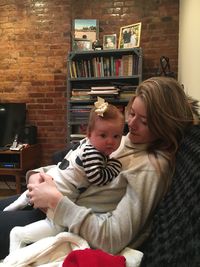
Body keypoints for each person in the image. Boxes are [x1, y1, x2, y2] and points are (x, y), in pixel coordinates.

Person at [0, 77, 198, 260]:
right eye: (132, 113)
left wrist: (56, 201)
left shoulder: (150, 168)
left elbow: (112, 238)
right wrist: (36, 175)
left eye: (144, 121)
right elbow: (80, 165)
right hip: (50, 197)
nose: (131, 124)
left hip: (58, 219)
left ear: (164, 126)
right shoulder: (128, 139)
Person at [4, 97, 125, 252]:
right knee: (57, 228)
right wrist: (114, 165)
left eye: (116, 136)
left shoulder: (86, 144)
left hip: (53, 178)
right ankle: (20, 235)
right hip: (59, 192)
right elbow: (98, 178)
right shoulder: (94, 153)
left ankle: (13, 208)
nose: (110, 142)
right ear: (88, 133)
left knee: (21, 200)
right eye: (103, 135)